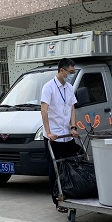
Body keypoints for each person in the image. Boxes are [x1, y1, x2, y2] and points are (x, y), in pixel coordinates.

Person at [41, 58, 79, 212]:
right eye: (70, 72)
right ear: (62, 70)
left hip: (67, 135)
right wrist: (49, 132)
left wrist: (73, 126)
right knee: (55, 169)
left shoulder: (69, 87)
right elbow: (44, 111)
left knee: (71, 165)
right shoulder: (48, 87)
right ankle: (58, 200)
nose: (71, 74)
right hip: (54, 137)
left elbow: (72, 108)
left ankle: (72, 195)